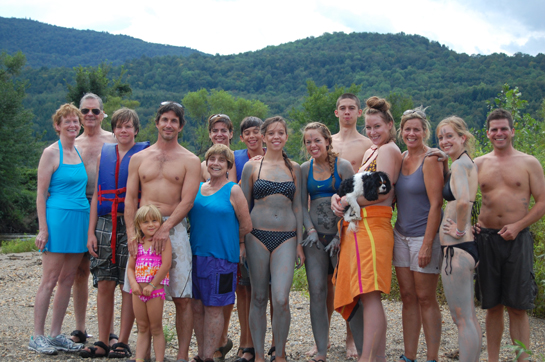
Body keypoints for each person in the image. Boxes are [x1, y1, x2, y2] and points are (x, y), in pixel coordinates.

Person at [124, 101, 201, 362]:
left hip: (174, 228)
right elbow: (130, 199)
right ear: (156, 122)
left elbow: (188, 200)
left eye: (174, 121)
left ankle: (181, 355)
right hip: (141, 228)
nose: (169, 124)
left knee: (182, 296)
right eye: (164, 119)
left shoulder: (190, 160)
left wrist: (166, 228)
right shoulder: (138, 158)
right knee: (140, 290)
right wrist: (131, 234)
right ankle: (143, 354)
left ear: (181, 126)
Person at [331, 96, 402, 362]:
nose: (372, 132)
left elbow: (381, 193)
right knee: (368, 296)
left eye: (377, 127)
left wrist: (347, 202)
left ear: (389, 125)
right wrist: (338, 198)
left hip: (374, 226)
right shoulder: (373, 150)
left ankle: (367, 359)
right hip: (361, 225)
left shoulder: (387, 150)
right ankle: (378, 357)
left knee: (370, 296)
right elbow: (357, 187)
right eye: (369, 127)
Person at [474, 109, 545, 362]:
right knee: (492, 306)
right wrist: (470, 226)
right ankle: (492, 359)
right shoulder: (479, 163)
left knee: (518, 307)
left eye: (504, 128)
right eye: (494, 129)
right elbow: (463, 199)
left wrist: (518, 226)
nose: (499, 133)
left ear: (512, 131)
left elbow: (542, 203)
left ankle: (521, 360)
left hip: (518, 240)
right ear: (487, 134)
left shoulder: (529, 163)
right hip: (487, 241)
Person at [79, 108, 149, 358]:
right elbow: (98, 194)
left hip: (131, 224)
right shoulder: (105, 154)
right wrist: (91, 232)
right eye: (119, 126)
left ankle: (123, 340)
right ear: (114, 130)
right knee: (104, 282)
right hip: (105, 223)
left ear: (136, 130)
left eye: (128, 126)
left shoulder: (144, 154)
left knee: (127, 284)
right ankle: (102, 339)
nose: (123, 130)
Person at [240, 116, 305, 362]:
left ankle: (280, 353)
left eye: (281, 133)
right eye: (272, 133)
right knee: (258, 296)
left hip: (287, 237)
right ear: (264, 137)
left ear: (287, 137)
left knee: (281, 298)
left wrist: (299, 243)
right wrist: (242, 243)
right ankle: (257, 354)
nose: (277, 136)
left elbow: (298, 207)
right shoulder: (252, 167)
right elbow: (244, 207)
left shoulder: (294, 168)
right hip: (256, 236)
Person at [30, 103, 88, 354]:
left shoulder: (79, 151)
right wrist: (43, 229)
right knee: (50, 279)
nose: (73, 125)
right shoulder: (51, 153)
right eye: (67, 122)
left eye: (76, 121)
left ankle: (55, 333)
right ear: (57, 126)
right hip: (57, 219)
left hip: (80, 219)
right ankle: (37, 335)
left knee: (67, 279)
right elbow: (41, 194)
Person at [189, 144, 252, 362]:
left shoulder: (233, 189)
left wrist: (239, 242)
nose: (215, 163)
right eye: (211, 159)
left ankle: (209, 356)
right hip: (196, 256)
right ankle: (201, 352)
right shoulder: (196, 188)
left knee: (214, 307)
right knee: (197, 306)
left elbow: (246, 224)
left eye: (221, 160)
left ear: (228, 165)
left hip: (222, 258)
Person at [300, 122, 354, 362]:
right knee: (317, 291)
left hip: (340, 238)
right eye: (308, 142)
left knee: (348, 291)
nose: (313, 145)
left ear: (327, 141)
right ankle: (321, 348)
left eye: (317, 140)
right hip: (314, 240)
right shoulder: (304, 169)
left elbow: (354, 203)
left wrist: (341, 235)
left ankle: (353, 340)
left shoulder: (342, 167)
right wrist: (309, 230)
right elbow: (300, 204)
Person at [393, 108, 443, 362]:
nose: (411, 133)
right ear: (401, 132)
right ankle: (409, 355)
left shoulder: (431, 159)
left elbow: (436, 204)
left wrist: (427, 244)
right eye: (407, 129)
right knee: (407, 297)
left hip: (423, 238)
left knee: (425, 298)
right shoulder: (401, 158)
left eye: (416, 129)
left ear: (425, 131)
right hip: (400, 236)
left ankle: (432, 357)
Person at [71, 93, 117, 345]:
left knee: (106, 273)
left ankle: (108, 331)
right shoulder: (72, 142)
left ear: (102, 114)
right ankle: (79, 328)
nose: (90, 115)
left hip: (105, 209)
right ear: (79, 114)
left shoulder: (112, 141)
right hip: (77, 208)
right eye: (85, 111)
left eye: (95, 111)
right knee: (80, 271)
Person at [329, 93, 372, 358]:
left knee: (353, 281)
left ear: (359, 112)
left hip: (355, 217)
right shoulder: (327, 141)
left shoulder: (368, 144)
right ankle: (321, 338)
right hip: (326, 215)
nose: (347, 112)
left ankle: (351, 338)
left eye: (351, 108)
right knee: (323, 282)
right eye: (342, 108)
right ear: (336, 113)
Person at [436, 116, 481, 362]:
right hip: (465, 249)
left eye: (450, 136)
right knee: (470, 317)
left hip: (457, 248)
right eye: (441, 137)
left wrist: (460, 230)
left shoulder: (459, 166)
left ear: (463, 137)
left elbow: (463, 200)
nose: (444, 141)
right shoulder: (464, 162)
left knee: (461, 319)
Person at [233, 116, 266, 362]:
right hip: (242, 229)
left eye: (257, 131)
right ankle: (247, 342)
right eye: (248, 133)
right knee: (243, 289)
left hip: (271, 229)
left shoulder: (277, 156)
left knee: (271, 290)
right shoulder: (236, 160)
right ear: (242, 137)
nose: (253, 136)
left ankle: (274, 343)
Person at [127, 205, 172, 362]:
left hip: (155, 291)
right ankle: (140, 358)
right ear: (139, 225)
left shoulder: (163, 242)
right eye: (146, 222)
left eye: (154, 220)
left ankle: (159, 359)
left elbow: (166, 265)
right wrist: (133, 284)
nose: (151, 224)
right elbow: (130, 267)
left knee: (156, 328)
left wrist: (152, 285)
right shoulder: (137, 243)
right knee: (142, 327)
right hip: (138, 291)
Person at [201, 114, 237, 184]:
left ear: (231, 134)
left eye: (223, 130)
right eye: (215, 131)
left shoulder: (239, 158)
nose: (219, 134)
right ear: (210, 134)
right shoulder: (203, 166)